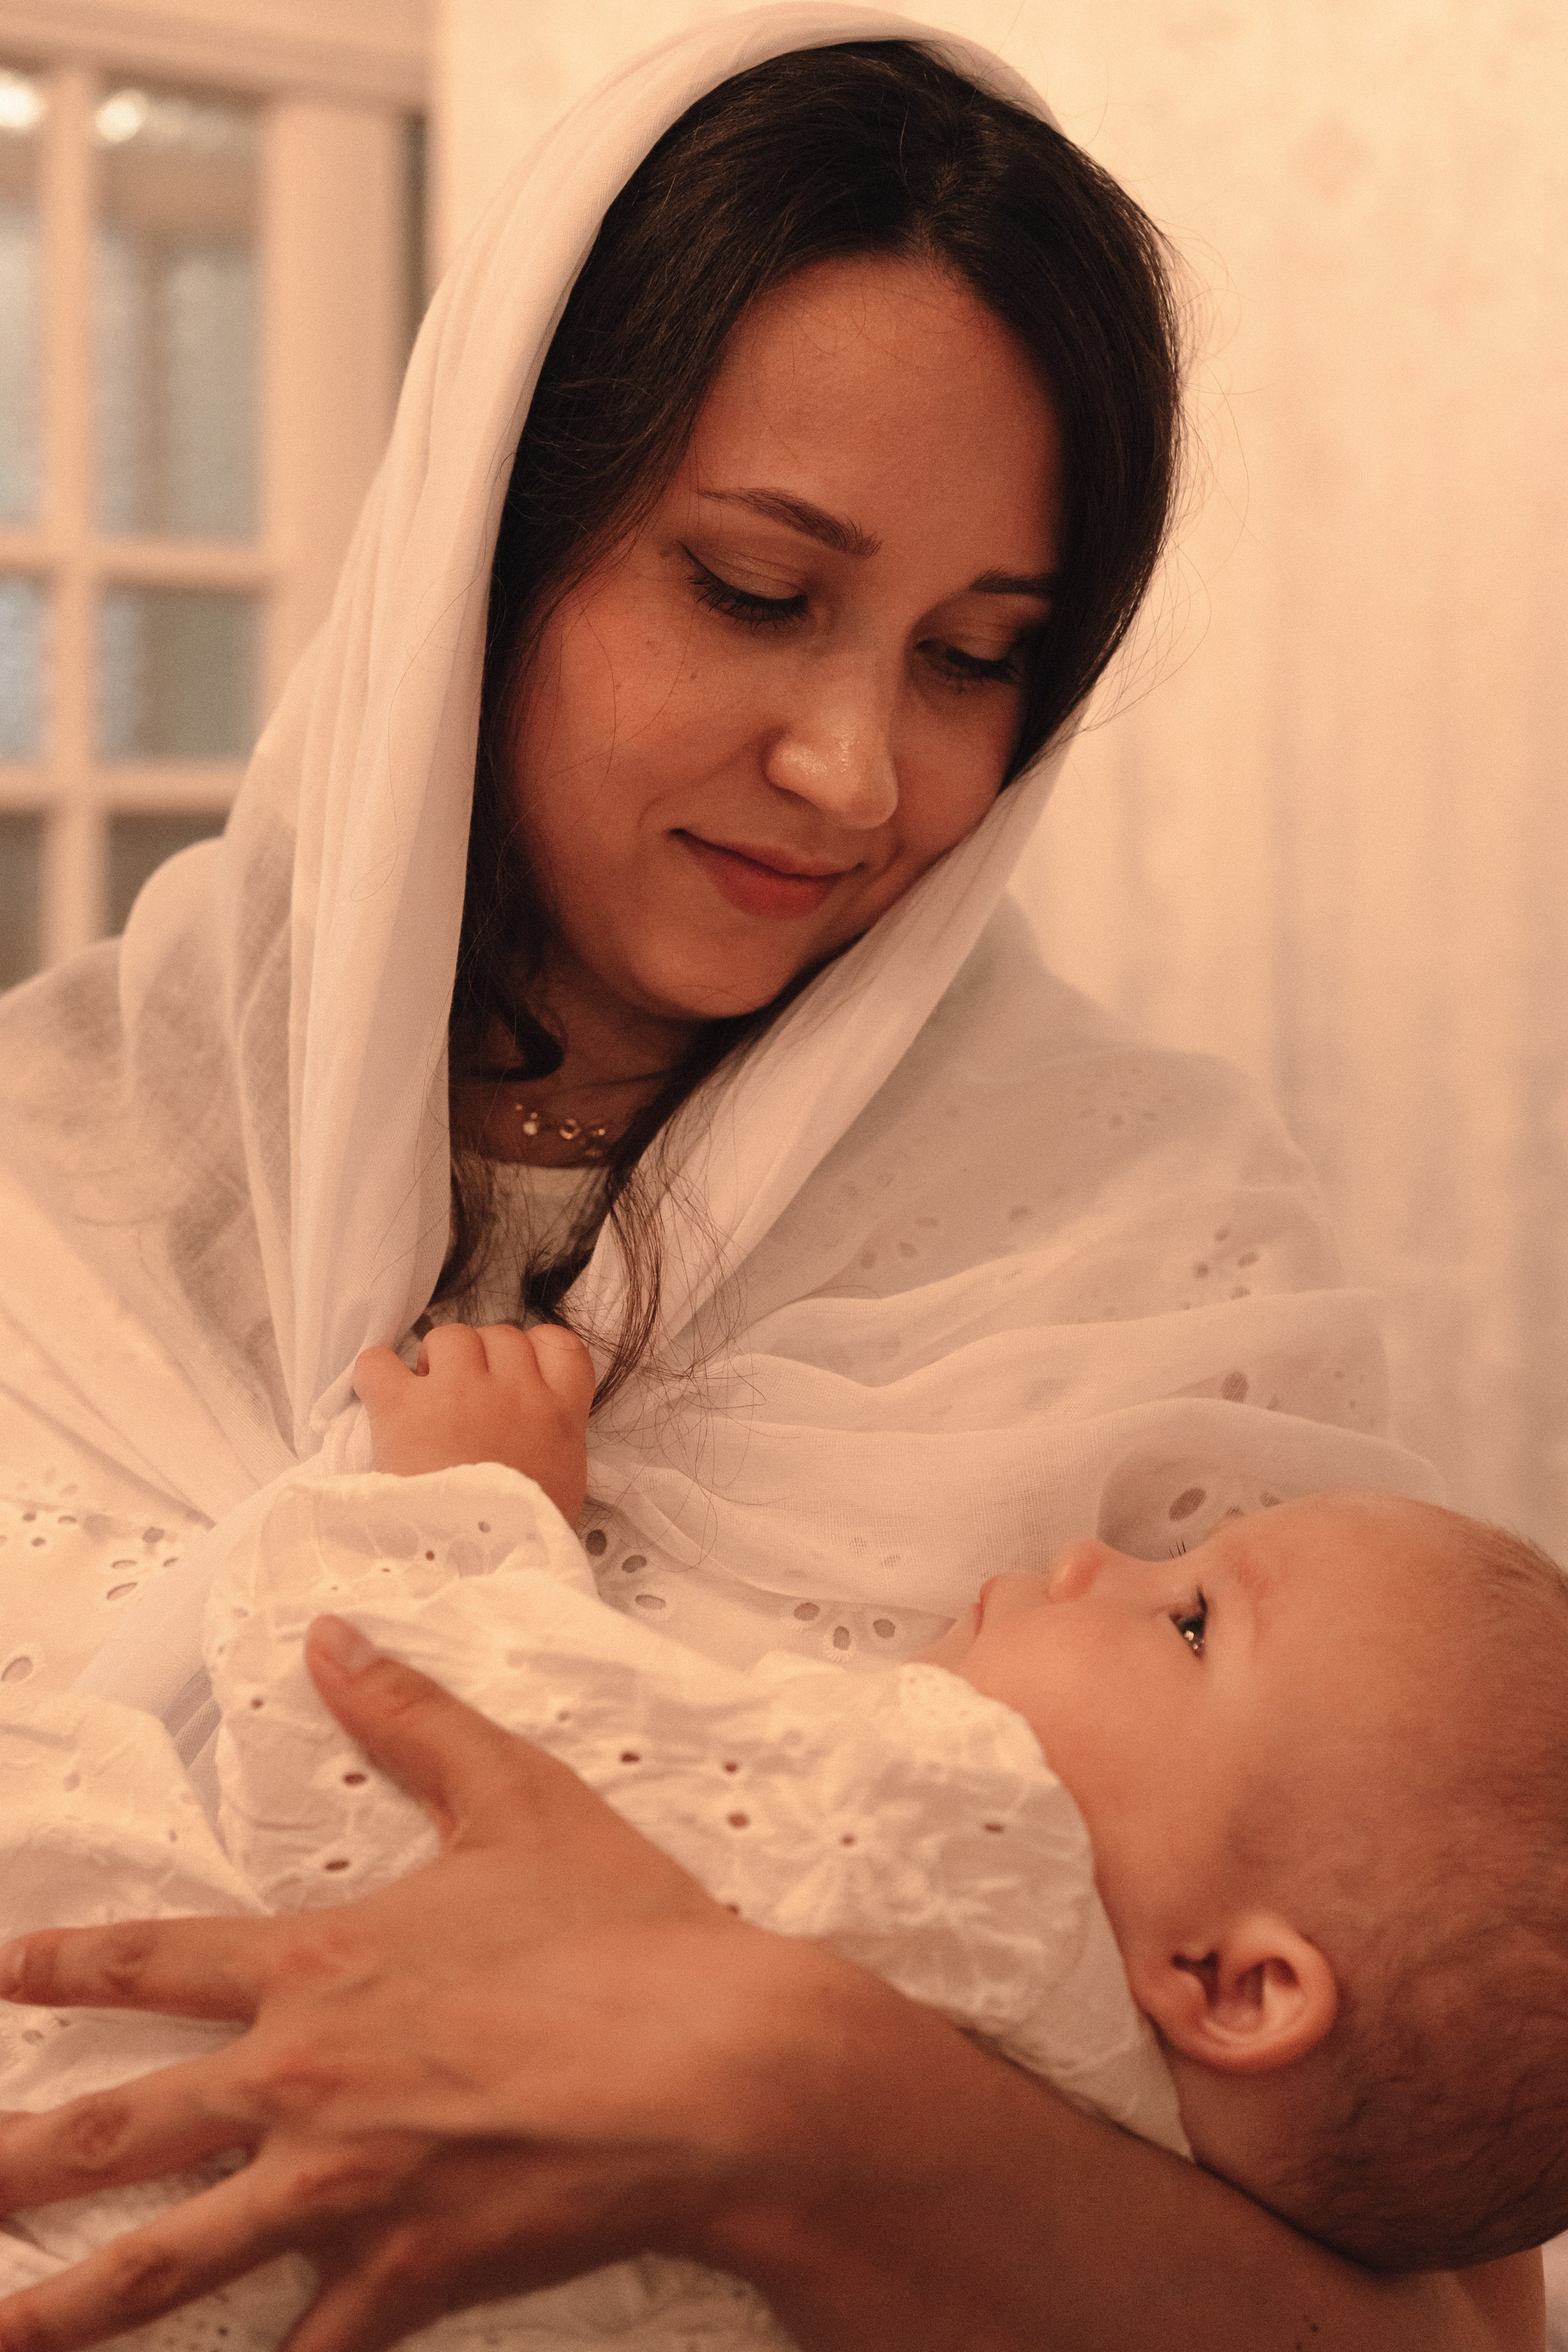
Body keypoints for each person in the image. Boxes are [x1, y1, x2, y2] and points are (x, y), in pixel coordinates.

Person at [0, 9, 1544, 2348]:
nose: (853, 770)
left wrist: (784, 2091)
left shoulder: (1139, 1246)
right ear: (487, 551)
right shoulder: (55, 1169)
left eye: (976, 660)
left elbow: (1456, 2314)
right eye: (751, 589)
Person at [4, 1317, 1566, 2345]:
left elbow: (388, 1739)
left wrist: (470, 1502)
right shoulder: (1200, 2134)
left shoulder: (967, 1842)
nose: (1090, 1561)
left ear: (1241, 1989)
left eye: (1186, 1621)